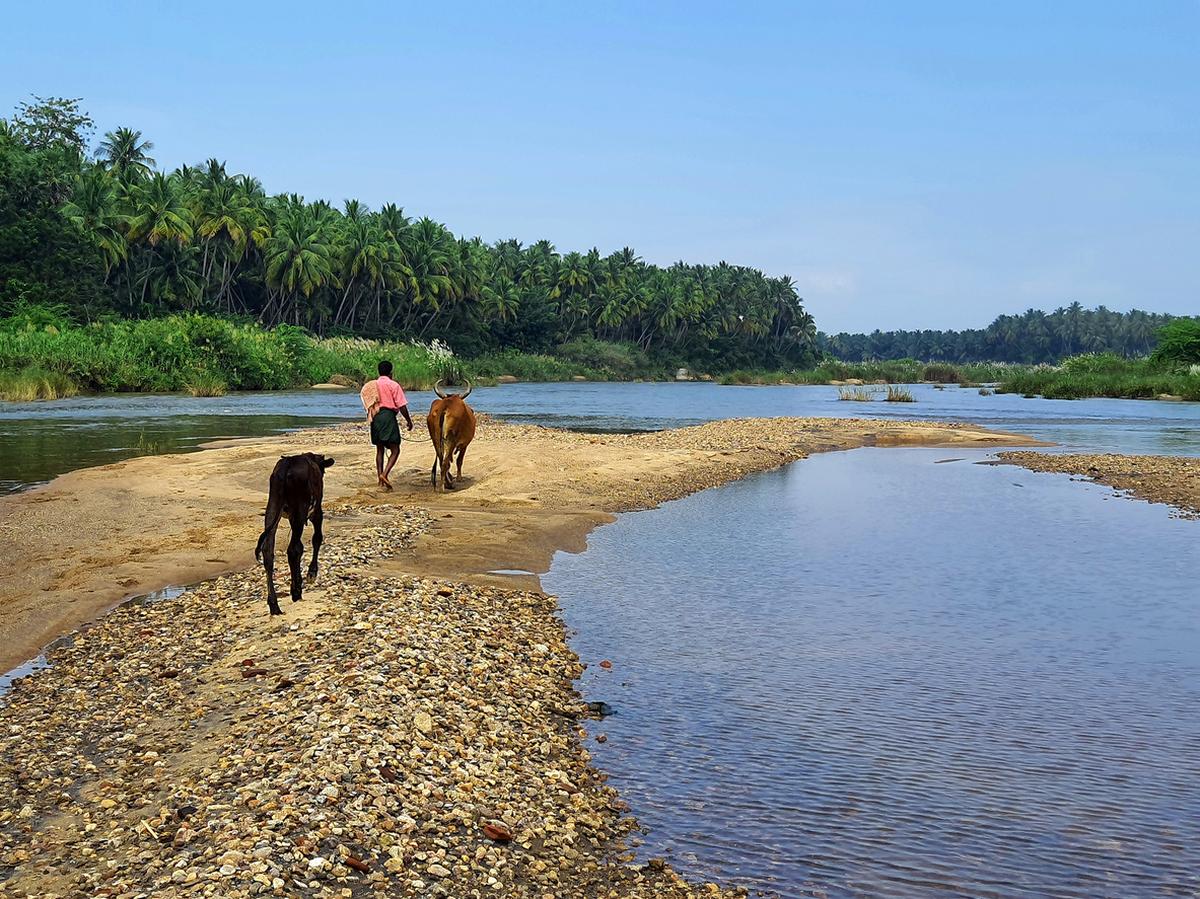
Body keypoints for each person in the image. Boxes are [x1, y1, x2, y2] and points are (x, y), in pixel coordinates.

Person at [369, 360, 413, 490]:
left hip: (375, 416)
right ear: (391, 373)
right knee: (395, 449)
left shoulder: (372, 385)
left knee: (380, 449)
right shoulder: (393, 385)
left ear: (379, 372)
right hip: (388, 416)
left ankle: (379, 480)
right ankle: (385, 474)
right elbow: (402, 406)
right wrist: (408, 421)